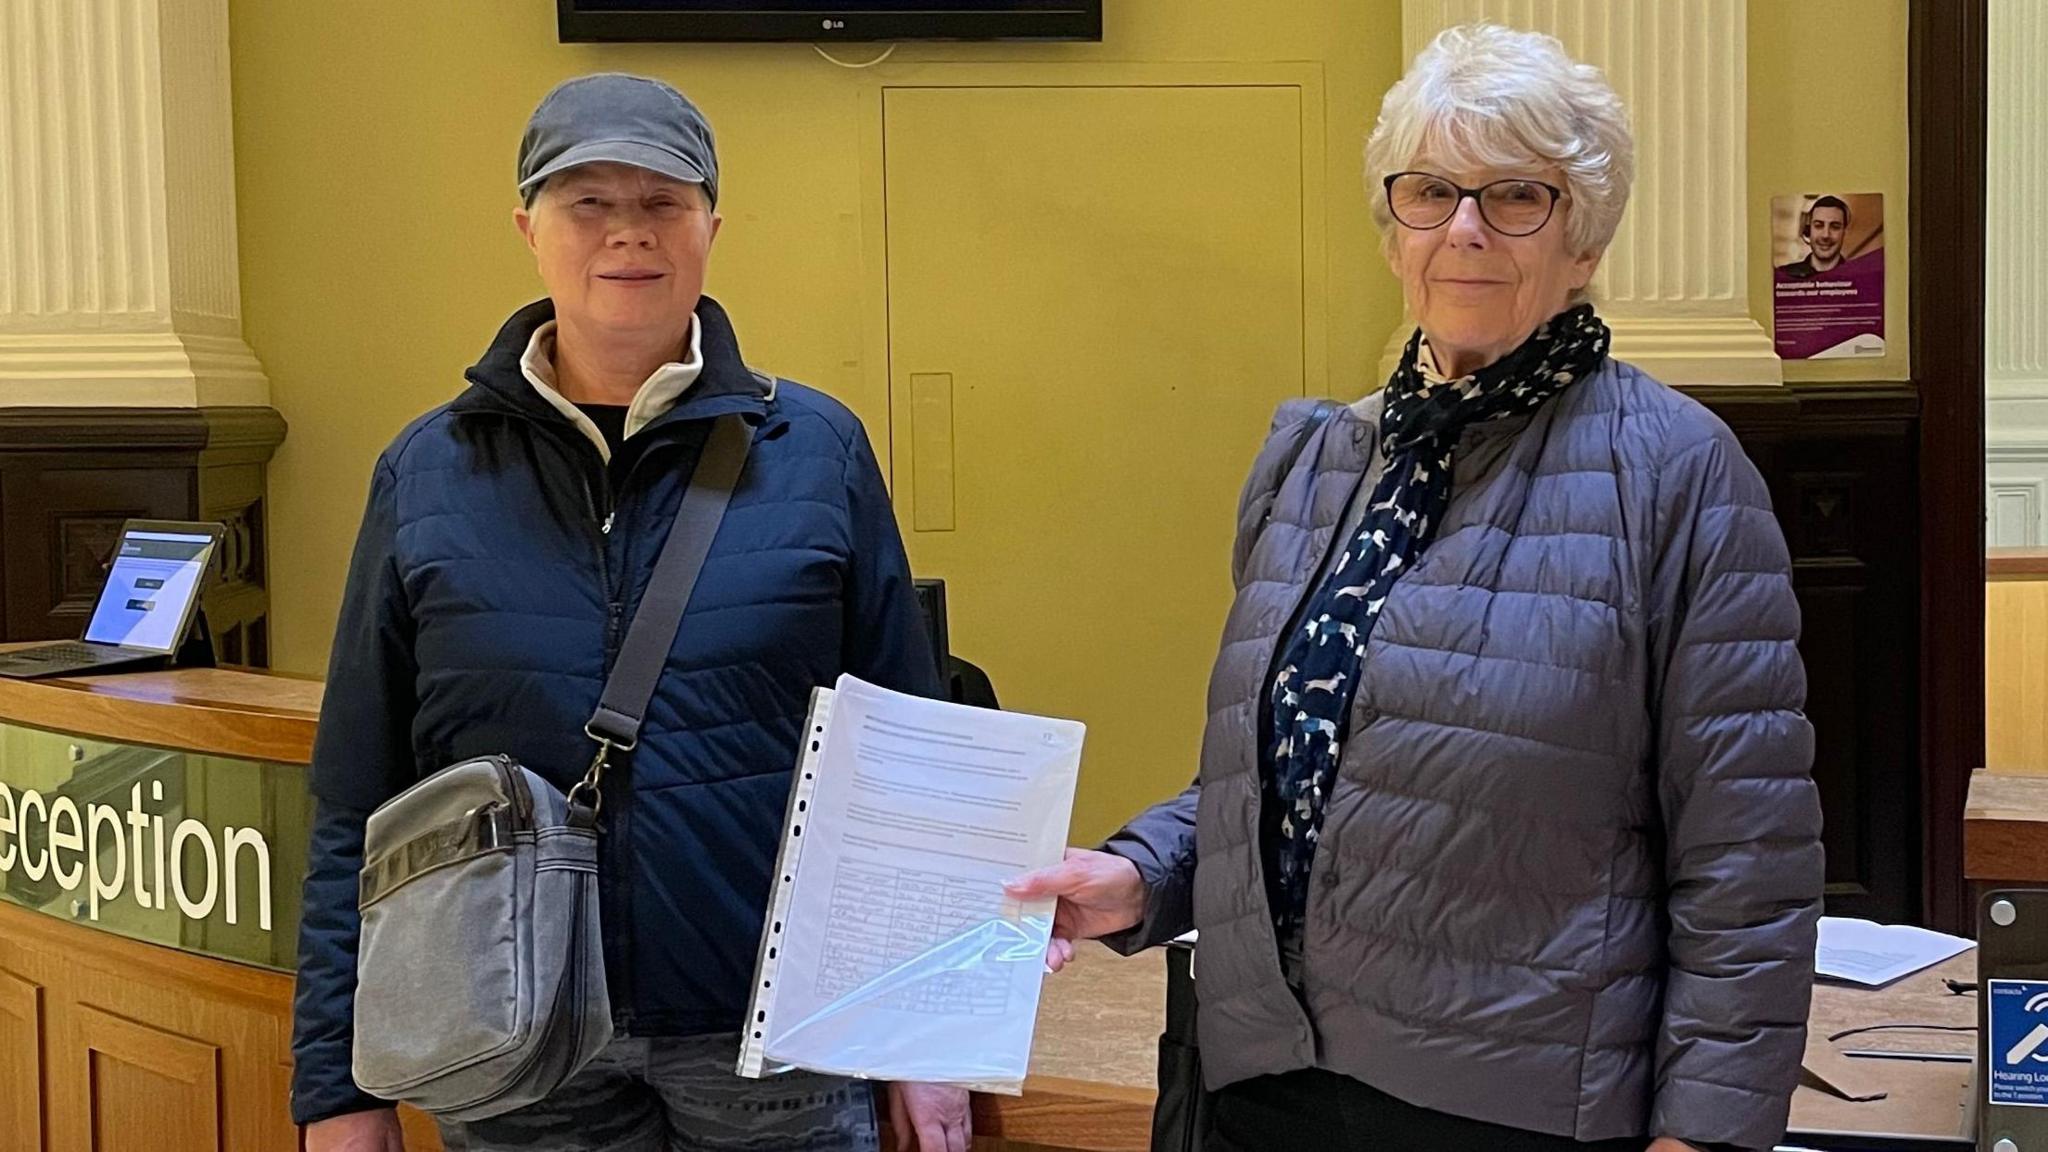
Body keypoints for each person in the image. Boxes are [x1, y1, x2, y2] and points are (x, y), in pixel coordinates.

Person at [1009, 24, 1823, 1152]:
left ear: (1583, 239)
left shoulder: (1679, 476)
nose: (1464, 231)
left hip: (1514, 1108)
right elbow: (1296, 765)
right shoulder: (1311, 460)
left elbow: (1746, 860)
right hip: (1266, 1084)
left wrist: (1705, 1133)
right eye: (1430, 192)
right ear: (1391, 231)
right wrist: (1146, 874)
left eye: (1516, 197)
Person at [292, 73, 972, 1152]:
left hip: (770, 1043)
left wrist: (926, 1043)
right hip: (510, 1044)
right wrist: (339, 1087)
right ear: (528, 228)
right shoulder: (426, 472)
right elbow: (355, 799)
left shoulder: (820, 452)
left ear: (711, 225)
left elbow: (909, 766)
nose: (628, 236)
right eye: (588, 205)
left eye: (661, 202)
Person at [1778, 195, 1850, 278]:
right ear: (1809, 230)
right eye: (1818, 226)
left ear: (1844, 233)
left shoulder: (1858, 278)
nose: (1825, 235)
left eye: (1835, 227)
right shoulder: (1784, 276)